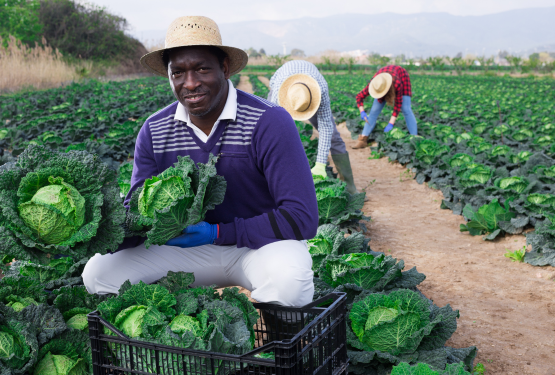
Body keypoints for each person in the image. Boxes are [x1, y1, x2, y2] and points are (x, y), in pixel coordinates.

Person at [82, 16, 318, 308]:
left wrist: (217, 232)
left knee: (289, 282)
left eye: (202, 69)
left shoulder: (268, 121)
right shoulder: (154, 130)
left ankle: (281, 348)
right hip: (183, 249)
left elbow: (302, 217)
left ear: (225, 67)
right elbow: (137, 212)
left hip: (256, 246)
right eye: (178, 72)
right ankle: (165, 333)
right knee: (98, 274)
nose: (190, 83)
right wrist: (93, 231)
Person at [268, 60, 358, 194]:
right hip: (282, 88)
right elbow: (274, 130)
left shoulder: (320, 88)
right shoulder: (278, 95)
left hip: (310, 91)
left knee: (334, 137)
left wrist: (321, 164)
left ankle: (350, 188)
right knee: (275, 136)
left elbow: (326, 127)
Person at [352, 65, 417, 149]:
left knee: (406, 109)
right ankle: (363, 139)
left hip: (402, 77)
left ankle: (415, 138)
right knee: (374, 111)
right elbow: (359, 97)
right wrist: (362, 111)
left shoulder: (397, 83)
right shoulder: (375, 83)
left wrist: (391, 123)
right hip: (384, 80)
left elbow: (398, 104)